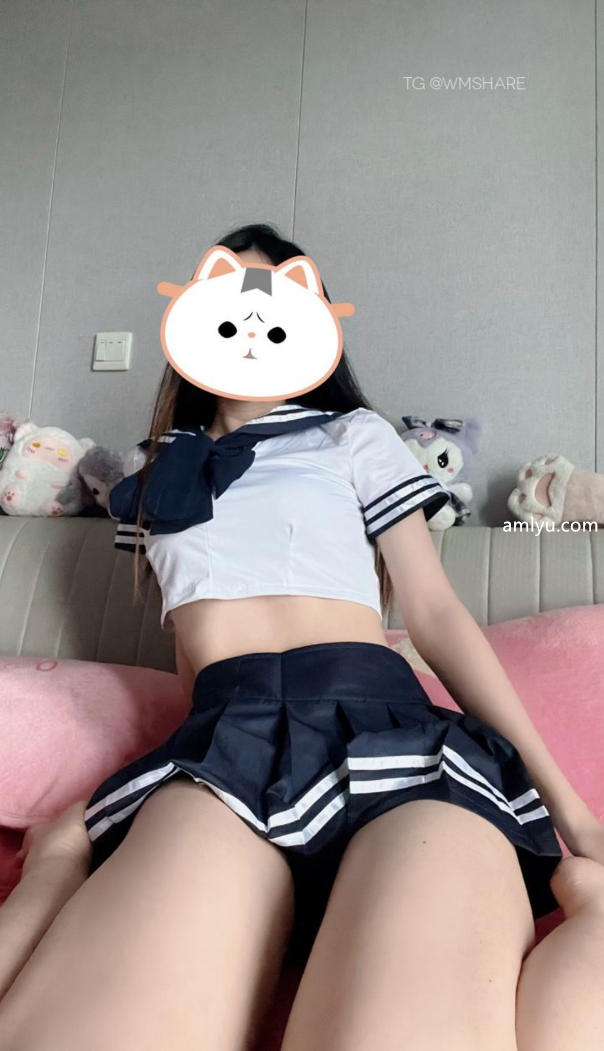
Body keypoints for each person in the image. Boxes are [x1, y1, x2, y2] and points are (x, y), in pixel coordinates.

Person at [1, 222, 604, 1051]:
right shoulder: (153, 474)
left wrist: (576, 813)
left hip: (389, 734)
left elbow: (434, 615)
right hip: (226, 745)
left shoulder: (352, 436)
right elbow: (191, 646)